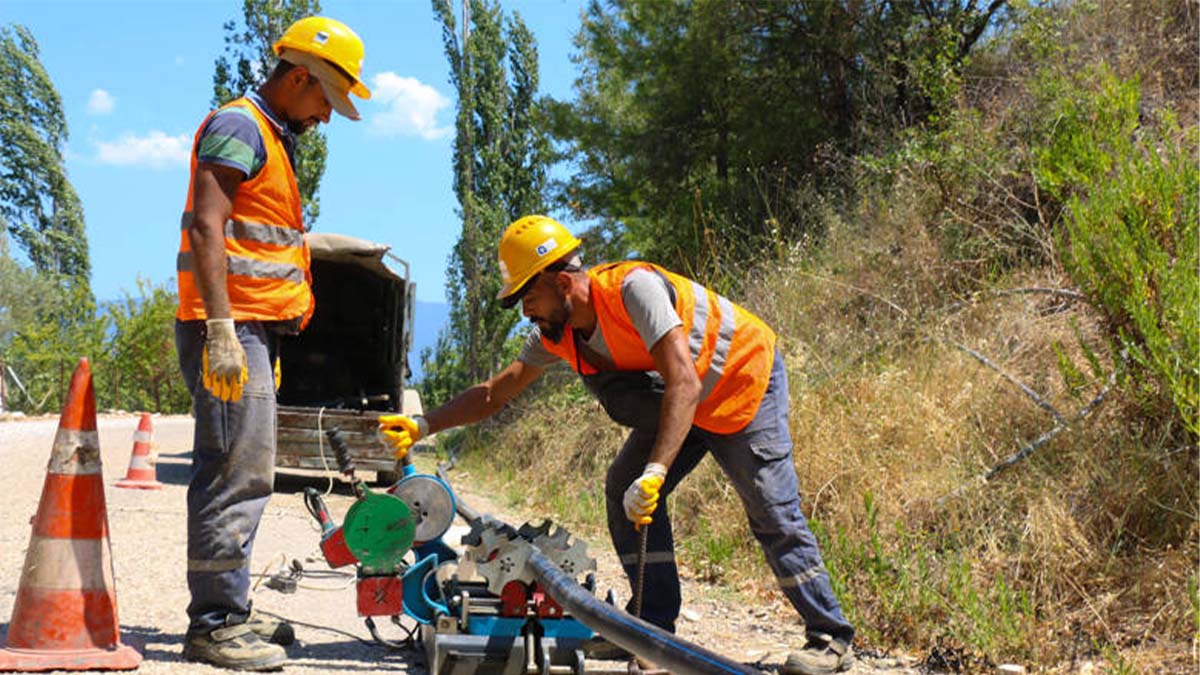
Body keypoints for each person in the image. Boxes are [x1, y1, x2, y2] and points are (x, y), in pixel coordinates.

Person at [379, 215, 857, 675]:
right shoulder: (558, 334)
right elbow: (494, 393)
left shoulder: (634, 291)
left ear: (560, 282)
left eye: (528, 295)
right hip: (684, 397)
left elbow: (684, 381)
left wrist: (656, 471)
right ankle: (652, 627)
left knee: (772, 511)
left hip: (740, 381)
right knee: (622, 488)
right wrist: (424, 425)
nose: (525, 310)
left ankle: (830, 637)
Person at [174, 16, 371, 671]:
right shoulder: (239, 126)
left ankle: (229, 606)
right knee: (235, 472)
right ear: (296, 77)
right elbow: (208, 226)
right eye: (325, 100)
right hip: (231, 330)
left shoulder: (271, 136)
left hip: (253, 328)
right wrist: (222, 329)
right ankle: (215, 624)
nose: (326, 116)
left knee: (247, 468)